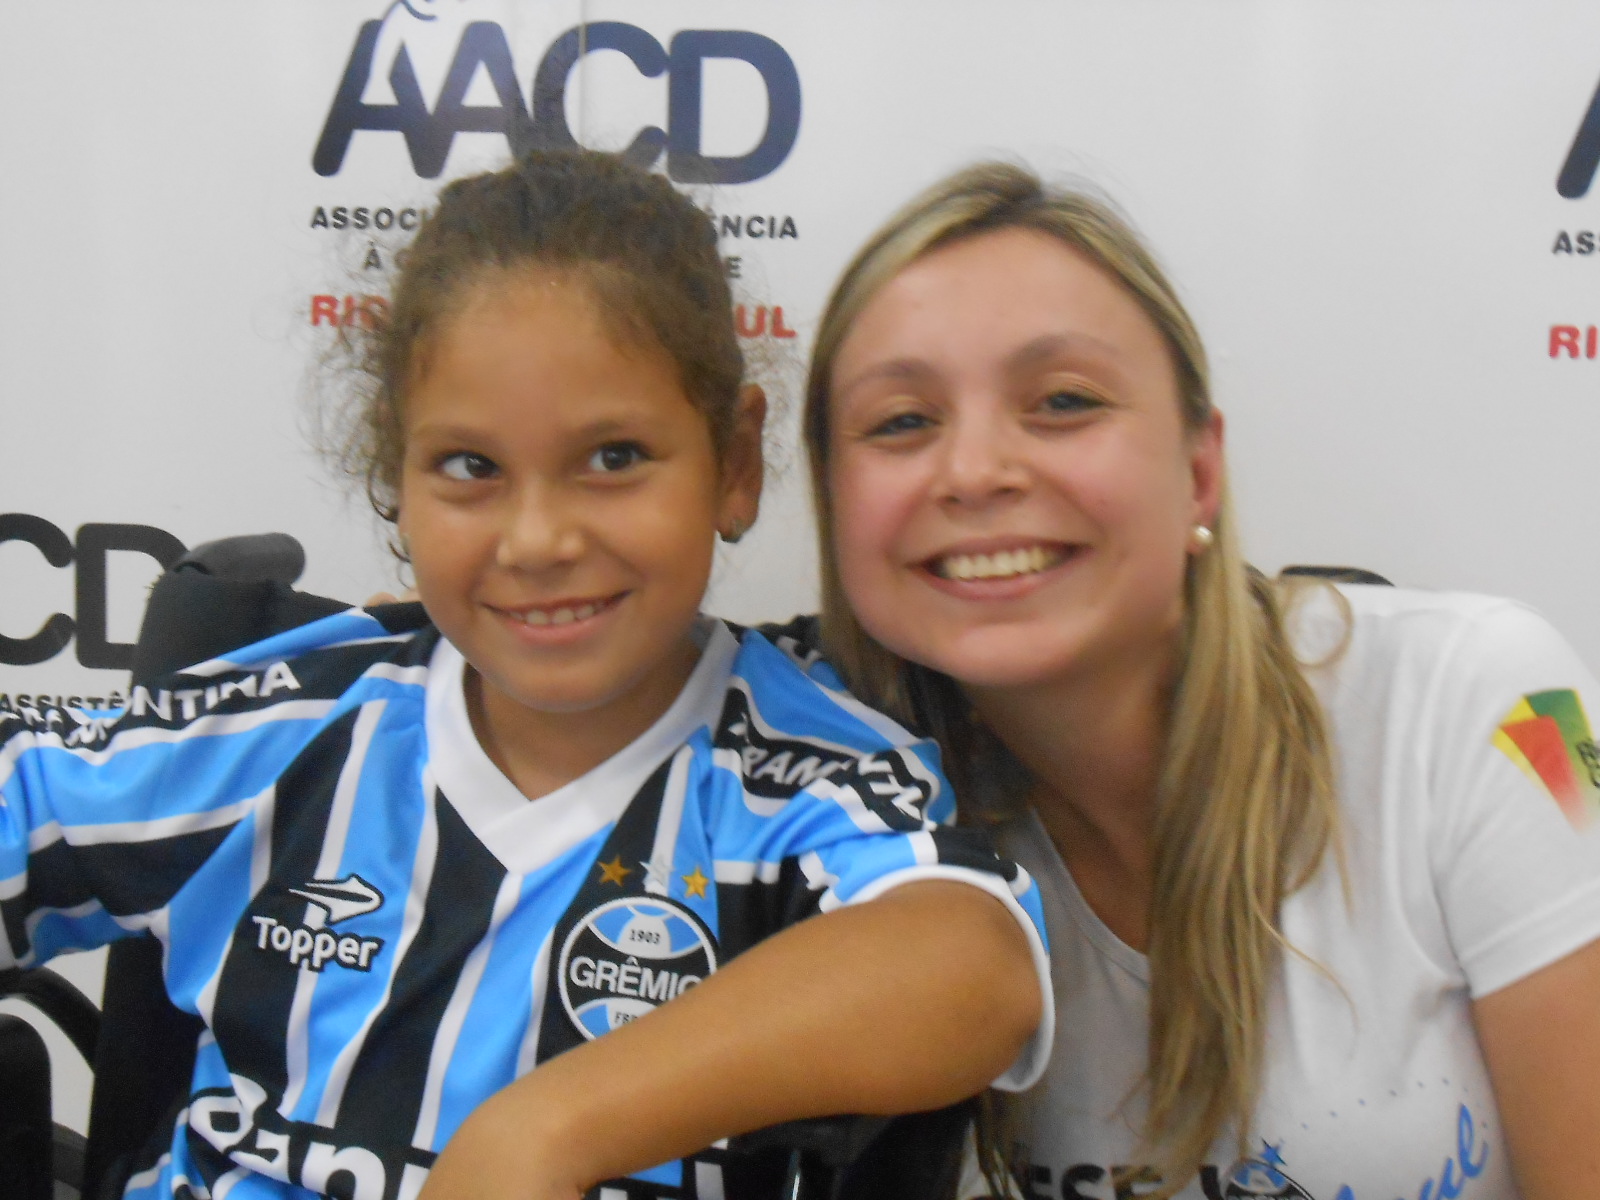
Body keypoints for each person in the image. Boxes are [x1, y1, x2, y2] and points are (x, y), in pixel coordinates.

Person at [0, 151, 1054, 1200]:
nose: (538, 538)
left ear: (733, 463)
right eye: (470, 468)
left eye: (613, 458)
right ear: (396, 482)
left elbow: (971, 964)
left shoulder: (794, 783)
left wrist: (549, 1129)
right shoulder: (292, 732)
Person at [798, 162, 1600, 1200]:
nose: (976, 470)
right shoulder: (808, 816)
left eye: (1063, 402)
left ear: (1201, 470)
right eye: (902, 421)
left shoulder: (1505, 697)